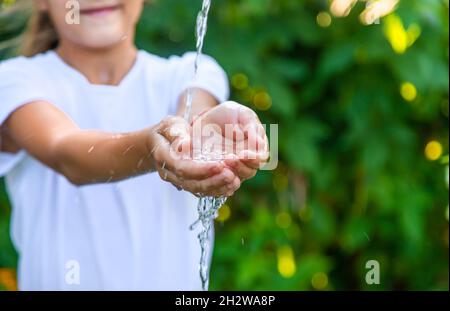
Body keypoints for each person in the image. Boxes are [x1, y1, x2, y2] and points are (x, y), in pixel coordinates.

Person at [0, 0, 268, 290]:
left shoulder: (191, 73)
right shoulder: (15, 81)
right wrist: (152, 149)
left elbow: (192, 120)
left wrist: (198, 137)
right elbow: (67, 153)